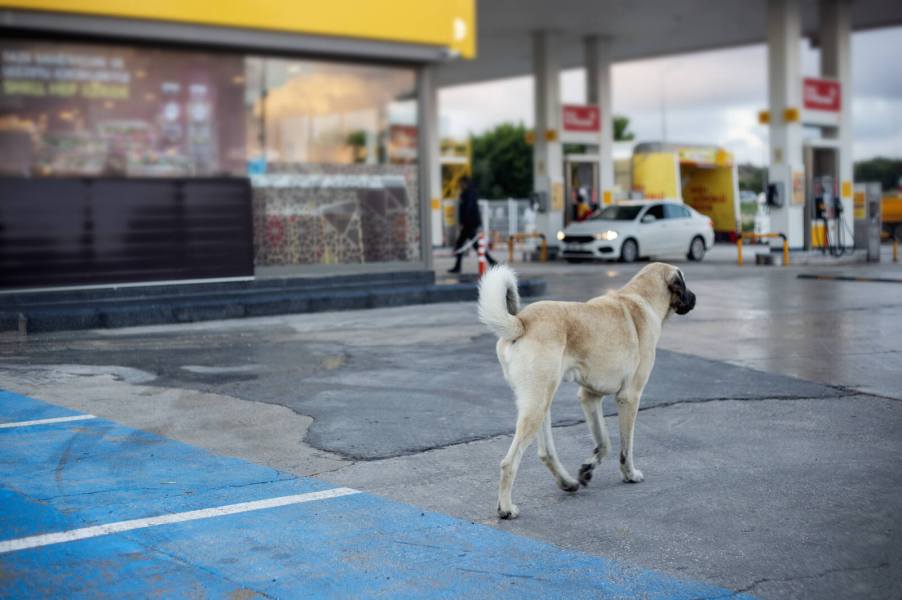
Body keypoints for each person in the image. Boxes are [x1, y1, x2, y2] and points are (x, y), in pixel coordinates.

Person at [448, 176, 497, 273]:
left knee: (467, 244)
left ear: (465, 183)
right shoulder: (470, 192)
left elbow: (468, 209)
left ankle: (491, 261)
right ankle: (492, 261)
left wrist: (463, 222)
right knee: (470, 244)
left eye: (461, 184)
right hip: (469, 223)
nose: (460, 186)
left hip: (469, 223)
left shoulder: (468, 193)